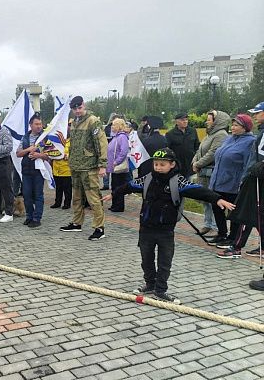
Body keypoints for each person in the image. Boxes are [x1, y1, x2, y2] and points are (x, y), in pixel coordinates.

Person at [103, 148, 235, 304]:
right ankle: (150, 284)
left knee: (164, 262)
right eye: (156, 164)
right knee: (146, 259)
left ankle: (160, 290)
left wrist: (217, 199)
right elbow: (130, 186)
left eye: (162, 164)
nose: (158, 167)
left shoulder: (177, 182)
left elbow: (198, 190)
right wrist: (114, 194)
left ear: (172, 164)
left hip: (166, 231)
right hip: (146, 228)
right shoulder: (148, 179)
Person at [218, 102, 264, 264]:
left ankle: (236, 247)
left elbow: (258, 159)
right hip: (255, 177)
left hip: (256, 179)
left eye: (258, 113)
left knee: (245, 213)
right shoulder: (261, 132)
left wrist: (253, 171)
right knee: (258, 214)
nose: (255, 116)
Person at [60, 96, 108, 240]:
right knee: (77, 198)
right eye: (74, 109)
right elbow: (74, 144)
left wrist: (102, 165)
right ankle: (77, 223)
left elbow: (101, 143)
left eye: (79, 108)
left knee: (93, 198)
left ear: (84, 105)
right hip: (76, 166)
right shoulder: (74, 122)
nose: (77, 111)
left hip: (89, 167)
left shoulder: (93, 121)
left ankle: (99, 228)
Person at [206, 114, 256, 248]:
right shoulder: (229, 139)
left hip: (233, 183)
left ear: (245, 127)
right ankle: (222, 233)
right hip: (218, 181)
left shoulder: (250, 142)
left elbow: (248, 164)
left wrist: (243, 182)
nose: (232, 128)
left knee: (233, 211)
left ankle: (233, 237)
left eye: (236, 125)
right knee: (217, 207)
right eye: (232, 125)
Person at [192, 110, 230, 235]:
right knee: (205, 199)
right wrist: (194, 162)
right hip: (203, 172)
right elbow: (199, 150)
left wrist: (198, 164)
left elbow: (213, 153)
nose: (206, 122)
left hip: (211, 172)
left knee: (213, 199)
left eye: (209, 120)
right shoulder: (210, 134)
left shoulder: (221, 134)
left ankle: (214, 226)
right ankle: (208, 224)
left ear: (217, 121)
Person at [16, 113, 53, 228]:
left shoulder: (45, 138)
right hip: (26, 170)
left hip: (38, 171)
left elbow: (50, 155)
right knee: (27, 195)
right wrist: (28, 149)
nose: (39, 126)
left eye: (40, 124)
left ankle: (37, 218)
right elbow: (18, 153)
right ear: (31, 125)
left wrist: (39, 155)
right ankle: (29, 216)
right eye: (36, 124)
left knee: (38, 195)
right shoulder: (25, 137)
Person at [165, 113, 199, 178]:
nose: (185, 121)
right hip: (178, 167)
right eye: (182, 120)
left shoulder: (192, 131)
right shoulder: (170, 134)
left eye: (186, 119)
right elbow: (168, 150)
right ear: (176, 122)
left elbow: (197, 146)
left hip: (191, 165)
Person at [106, 118, 130, 212]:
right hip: (114, 167)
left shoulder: (122, 137)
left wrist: (116, 162)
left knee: (118, 186)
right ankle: (115, 204)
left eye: (114, 125)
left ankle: (119, 206)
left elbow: (123, 152)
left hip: (118, 166)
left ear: (119, 126)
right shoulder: (116, 136)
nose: (112, 127)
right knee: (114, 185)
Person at [51, 125, 72, 210]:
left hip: (66, 169)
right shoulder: (56, 141)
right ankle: (57, 202)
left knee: (67, 188)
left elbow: (74, 153)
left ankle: (67, 203)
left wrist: (67, 156)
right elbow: (50, 150)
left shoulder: (72, 141)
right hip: (56, 168)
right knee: (58, 188)